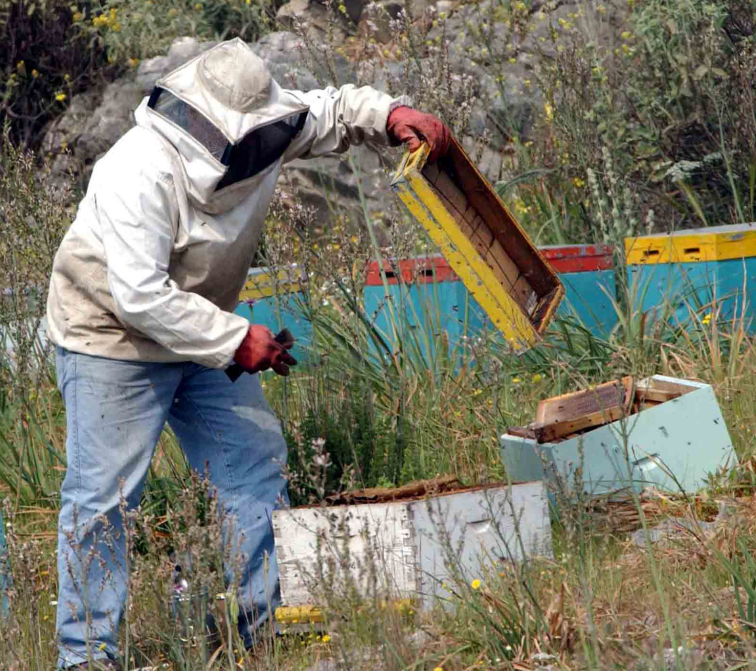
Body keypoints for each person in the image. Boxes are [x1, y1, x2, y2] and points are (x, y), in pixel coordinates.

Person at [45, 38, 453, 669]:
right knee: (104, 499)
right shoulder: (138, 171)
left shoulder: (264, 131)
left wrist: (390, 114)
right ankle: (86, 657)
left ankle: (261, 628)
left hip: (202, 329)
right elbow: (140, 297)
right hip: (111, 337)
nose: (261, 149)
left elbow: (331, 111)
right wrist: (236, 338)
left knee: (254, 466)